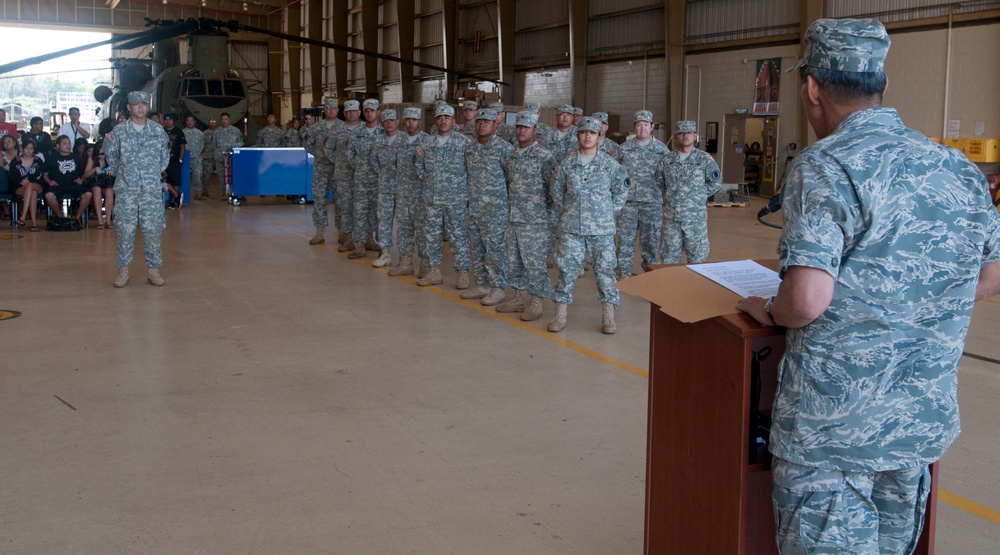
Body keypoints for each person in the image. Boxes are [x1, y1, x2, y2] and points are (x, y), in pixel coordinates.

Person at [734, 19, 1000, 554]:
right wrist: (909, 299)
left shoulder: (827, 164)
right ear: (879, 82)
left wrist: (769, 306)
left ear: (812, 87)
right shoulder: (955, 166)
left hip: (833, 434)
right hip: (914, 428)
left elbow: (806, 301)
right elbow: (992, 275)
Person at [548, 117, 629, 334]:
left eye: (592, 133)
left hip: (601, 230)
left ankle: (608, 316)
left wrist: (606, 213)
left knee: (605, 271)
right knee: (566, 270)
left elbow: (621, 192)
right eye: (583, 132)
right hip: (572, 229)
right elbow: (557, 192)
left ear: (598, 136)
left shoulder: (610, 165)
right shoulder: (567, 164)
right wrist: (570, 210)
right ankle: (560, 314)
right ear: (578, 136)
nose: (587, 136)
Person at [104, 90, 170, 287]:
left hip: (150, 189)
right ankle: (123, 271)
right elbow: (111, 158)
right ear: (129, 107)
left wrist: (150, 174)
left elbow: (164, 158)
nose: (141, 107)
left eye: (144, 104)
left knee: (153, 230)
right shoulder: (119, 132)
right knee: (125, 230)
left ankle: (153, 271)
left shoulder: (158, 131)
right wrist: (125, 173)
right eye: (136, 104)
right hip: (127, 189)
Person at [496, 111, 558, 321]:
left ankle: (536, 301)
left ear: (535, 130)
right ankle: (520, 296)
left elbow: (554, 189)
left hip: (535, 220)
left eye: (526, 127)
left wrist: (544, 213)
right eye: (519, 127)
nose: (521, 130)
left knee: (534, 263)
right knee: (514, 261)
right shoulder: (512, 155)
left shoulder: (544, 156)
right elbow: (508, 183)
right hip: (514, 217)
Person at [413, 103, 472, 288]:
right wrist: (430, 181)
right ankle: (434, 271)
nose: (443, 120)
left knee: (458, 236)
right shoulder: (426, 144)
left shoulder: (464, 143)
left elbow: (471, 169)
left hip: (456, 200)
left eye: (447, 117)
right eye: (439, 117)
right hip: (432, 199)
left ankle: (463, 273)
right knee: (431, 236)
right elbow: (418, 166)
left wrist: (461, 188)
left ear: (454, 121)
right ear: (435, 121)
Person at [461, 107, 514, 306]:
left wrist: (506, 205)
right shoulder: (471, 148)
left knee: (495, 249)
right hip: (474, 207)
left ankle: (498, 287)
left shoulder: (504, 148)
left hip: (495, 210)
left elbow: (511, 178)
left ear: (495, 125)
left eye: (486, 122)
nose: (482, 125)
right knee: (476, 247)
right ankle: (482, 284)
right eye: (479, 121)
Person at [655, 120, 721, 264]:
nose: (685, 136)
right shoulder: (667, 160)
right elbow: (660, 183)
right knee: (669, 259)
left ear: (695, 135)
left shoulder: (704, 159)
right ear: (675, 136)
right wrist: (674, 196)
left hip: (695, 218)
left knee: (697, 259)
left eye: (689, 133)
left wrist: (697, 197)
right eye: (681, 133)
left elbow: (716, 182)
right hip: (672, 218)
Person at [616, 110, 669, 278]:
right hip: (628, 203)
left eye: (646, 125)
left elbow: (669, 175)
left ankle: (650, 275)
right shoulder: (624, 149)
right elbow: (614, 173)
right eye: (639, 125)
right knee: (624, 241)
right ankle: (623, 274)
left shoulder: (661, 150)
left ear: (652, 127)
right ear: (634, 127)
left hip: (652, 203)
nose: (642, 128)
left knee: (651, 242)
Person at [385, 107, 429, 277]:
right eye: (408, 120)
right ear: (404, 121)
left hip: (421, 195)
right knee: (403, 229)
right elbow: (391, 165)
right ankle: (405, 262)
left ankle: (425, 264)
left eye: (414, 120)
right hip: (402, 193)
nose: (411, 123)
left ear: (420, 121)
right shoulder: (399, 141)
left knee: (423, 231)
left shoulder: (427, 141)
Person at [346, 99, 386, 258]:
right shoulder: (357, 133)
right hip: (361, 179)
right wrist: (361, 166)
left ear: (378, 112)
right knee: (360, 211)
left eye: (372, 110)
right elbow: (350, 155)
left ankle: (373, 240)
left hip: (379, 180)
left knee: (377, 212)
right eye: (367, 110)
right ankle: (359, 245)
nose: (369, 113)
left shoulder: (384, 133)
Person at [325, 100, 364, 250]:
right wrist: (339, 161)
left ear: (359, 113)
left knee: (364, 208)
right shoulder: (338, 130)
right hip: (343, 176)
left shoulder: (366, 130)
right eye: (348, 111)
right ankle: (348, 238)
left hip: (362, 176)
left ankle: (365, 238)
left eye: (354, 111)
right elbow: (328, 149)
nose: (351, 113)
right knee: (345, 207)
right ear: (344, 113)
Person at [304, 98, 343, 245]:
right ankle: (319, 233)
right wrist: (319, 154)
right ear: (324, 110)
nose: (331, 111)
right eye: (328, 108)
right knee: (319, 200)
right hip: (321, 170)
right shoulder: (316, 127)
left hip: (338, 170)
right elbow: (307, 144)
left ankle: (342, 233)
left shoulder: (342, 127)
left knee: (340, 201)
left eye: (333, 108)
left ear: (337, 111)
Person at [369, 108, 400, 267]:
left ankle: (405, 256)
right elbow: (373, 162)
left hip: (403, 189)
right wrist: (383, 174)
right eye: (385, 121)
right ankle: (385, 253)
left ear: (397, 122)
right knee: (384, 221)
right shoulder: (378, 141)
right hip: (385, 188)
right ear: (382, 123)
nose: (389, 124)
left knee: (404, 223)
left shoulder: (404, 140)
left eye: (391, 120)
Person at [42, 135, 91, 222]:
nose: (68, 146)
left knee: (88, 194)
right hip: (57, 185)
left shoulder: (77, 158)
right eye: (64, 144)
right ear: (58, 145)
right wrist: (49, 181)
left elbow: (85, 173)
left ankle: (77, 218)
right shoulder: (51, 158)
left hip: (74, 185)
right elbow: (45, 175)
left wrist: (82, 180)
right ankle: (61, 217)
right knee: (48, 195)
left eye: (69, 143)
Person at [8, 139, 44, 231]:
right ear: (22, 149)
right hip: (20, 187)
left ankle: (23, 216)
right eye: (27, 148)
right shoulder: (15, 161)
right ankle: (34, 224)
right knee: (33, 194)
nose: (29, 150)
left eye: (31, 148)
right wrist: (21, 181)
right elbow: (12, 177)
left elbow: (40, 176)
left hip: (37, 185)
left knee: (31, 186)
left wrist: (29, 181)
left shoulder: (38, 161)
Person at [85, 139, 115, 229]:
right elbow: (85, 174)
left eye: (102, 154)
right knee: (96, 190)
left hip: (107, 183)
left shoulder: (112, 159)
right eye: (98, 154)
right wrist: (94, 169)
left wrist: (113, 171)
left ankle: (108, 220)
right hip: (95, 182)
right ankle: (100, 220)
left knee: (109, 191)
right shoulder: (92, 159)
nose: (100, 156)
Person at [212, 112, 244, 197]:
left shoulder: (235, 131)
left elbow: (241, 142)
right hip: (220, 158)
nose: (224, 121)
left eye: (226, 119)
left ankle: (233, 192)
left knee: (233, 175)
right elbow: (214, 144)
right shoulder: (217, 132)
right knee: (221, 176)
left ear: (229, 120)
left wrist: (232, 147)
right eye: (222, 119)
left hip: (232, 158)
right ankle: (224, 192)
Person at [161, 113, 186, 209]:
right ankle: (177, 196)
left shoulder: (178, 132)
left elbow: (182, 146)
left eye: (170, 119)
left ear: (173, 121)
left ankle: (172, 202)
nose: (168, 121)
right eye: (166, 120)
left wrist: (180, 159)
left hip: (174, 160)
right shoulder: (162, 131)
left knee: (175, 181)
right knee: (165, 181)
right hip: (163, 161)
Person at [182, 115, 205, 199]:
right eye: (188, 120)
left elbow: (202, 144)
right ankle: (183, 193)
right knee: (183, 176)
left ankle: (198, 193)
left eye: (191, 120)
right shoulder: (182, 132)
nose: (190, 122)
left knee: (198, 175)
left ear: (194, 122)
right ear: (186, 122)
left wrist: (197, 153)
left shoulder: (199, 133)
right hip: (185, 157)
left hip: (196, 158)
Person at [201, 117, 217, 198]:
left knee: (222, 174)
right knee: (206, 173)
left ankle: (225, 191)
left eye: (214, 121)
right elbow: (201, 144)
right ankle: (205, 189)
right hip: (207, 156)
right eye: (210, 121)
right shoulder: (204, 133)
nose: (212, 123)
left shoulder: (220, 132)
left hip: (218, 156)